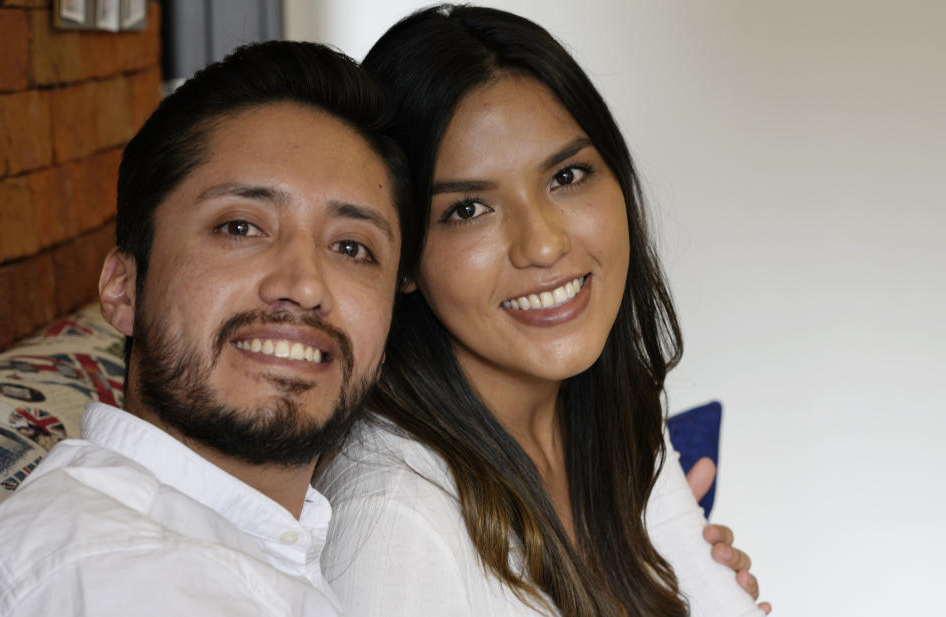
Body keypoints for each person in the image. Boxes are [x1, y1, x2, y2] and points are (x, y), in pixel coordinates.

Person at [316, 5, 770, 617]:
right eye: (468, 209)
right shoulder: (396, 520)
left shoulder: (607, 418)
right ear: (401, 260)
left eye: (568, 175)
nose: (544, 244)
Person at [0, 41, 413, 617]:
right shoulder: (113, 577)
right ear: (123, 287)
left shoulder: (265, 541)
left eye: (352, 247)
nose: (306, 285)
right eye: (241, 227)